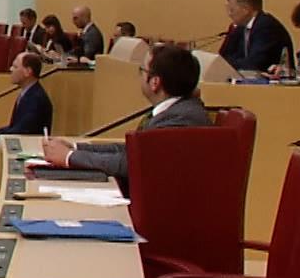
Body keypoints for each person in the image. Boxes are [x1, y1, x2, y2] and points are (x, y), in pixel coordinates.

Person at [40, 45, 209, 179]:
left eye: (141, 70)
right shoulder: (177, 110)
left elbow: (131, 163)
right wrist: (76, 148)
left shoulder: (182, 119)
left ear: (155, 82)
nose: (140, 76)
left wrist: (70, 157)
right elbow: (130, 149)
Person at [0, 53, 54, 151]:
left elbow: (22, 130)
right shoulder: (27, 94)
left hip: (31, 152)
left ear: (28, 72)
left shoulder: (36, 98)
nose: (11, 69)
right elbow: (15, 127)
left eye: (15, 66)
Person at [217, 0, 295, 74]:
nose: (229, 14)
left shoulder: (267, 26)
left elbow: (255, 64)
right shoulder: (241, 28)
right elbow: (223, 58)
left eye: (232, 10)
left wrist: (227, 64)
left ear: (246, 9)